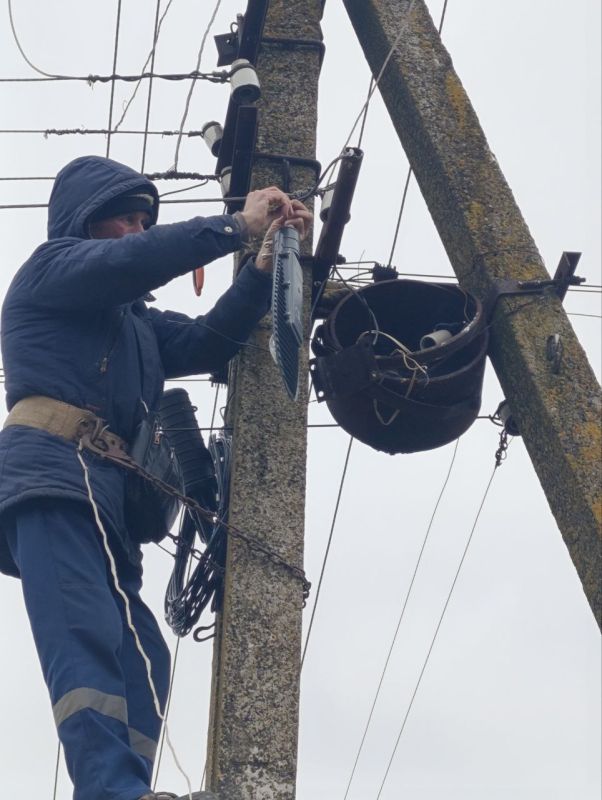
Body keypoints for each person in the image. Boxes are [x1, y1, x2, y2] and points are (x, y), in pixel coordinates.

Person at [0, 155, 312, 800]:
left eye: (146, 219)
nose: (138, 230)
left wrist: (258, 271)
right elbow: (128, 264)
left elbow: (205, 342)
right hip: (53, 477)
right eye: (125, 218)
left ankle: (127, 788)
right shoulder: (51, 270)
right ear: (84, 223)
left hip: (104, 494)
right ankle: (110, 792)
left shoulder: (134, 323)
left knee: (143, 654)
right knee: (83, 637)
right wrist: (235, 226)